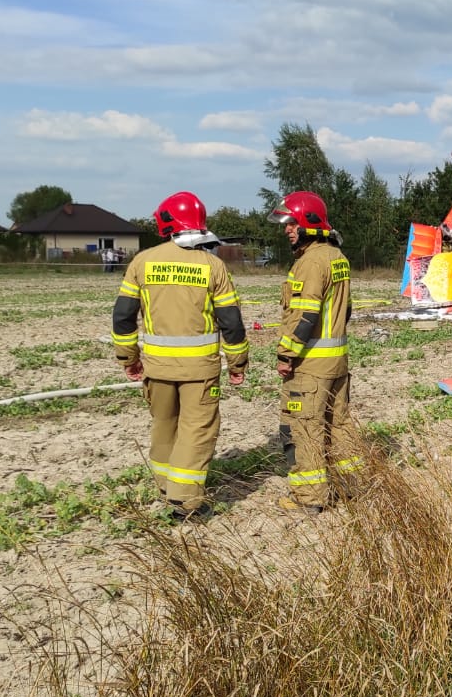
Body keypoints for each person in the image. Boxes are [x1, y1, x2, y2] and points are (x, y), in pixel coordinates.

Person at [111, 191, 249, 516]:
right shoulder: (213, 266)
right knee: (196, 431)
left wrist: (129, 358)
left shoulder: (142, 262)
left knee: (164, 425)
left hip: (157, 368)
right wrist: (237, 363)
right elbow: (231, 322)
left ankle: (165, 487)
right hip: (200, 372)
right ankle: (184, 501)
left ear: (166, 222)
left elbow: (123, 316)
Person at [271, 191, 360, 515]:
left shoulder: (309, 262)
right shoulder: (337, 257)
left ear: (308, 223)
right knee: (339, 424)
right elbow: (345, 310)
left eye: (292, 223)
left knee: (304, 428)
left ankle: (309, 498)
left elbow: (305, 316)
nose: (287, 229)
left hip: (310, 365)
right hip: (337, 361)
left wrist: (286, 355)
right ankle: (350, 487)